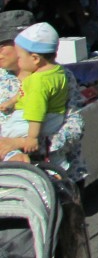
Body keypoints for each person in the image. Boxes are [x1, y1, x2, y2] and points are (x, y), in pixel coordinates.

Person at [0, 12, 86, 180]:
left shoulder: (59, 76)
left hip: (58, 175)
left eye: (3, 45)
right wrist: (10, 153)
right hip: (11, 178)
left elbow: (75, 124)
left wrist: (29, 143)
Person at [0, 23, 68, 161]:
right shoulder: (57, 73)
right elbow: (26, 93)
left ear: (35, 58)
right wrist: (12, 101)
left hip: (32, 126)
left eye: (19, 57)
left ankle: (20, 159)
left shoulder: (38, 81)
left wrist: (28, 140)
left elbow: (36, 111)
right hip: (52, 119)